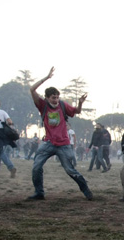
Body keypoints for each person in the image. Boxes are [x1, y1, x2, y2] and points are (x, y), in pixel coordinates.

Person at [27, 67, 93, 201]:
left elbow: (77, 111)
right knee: (36, 167)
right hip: (48, 143)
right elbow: (32, 89)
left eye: (57, 97)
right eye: (53, 97)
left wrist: (80, 104)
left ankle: (85, 189)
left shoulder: (62, 105)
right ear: (46, 98)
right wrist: (46, 77)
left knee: (70, 170)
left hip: (63, 144)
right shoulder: (42, 105)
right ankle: (39, 193)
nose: (56, 100)